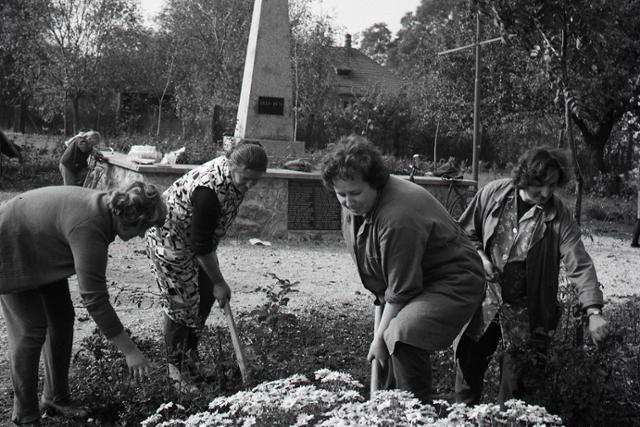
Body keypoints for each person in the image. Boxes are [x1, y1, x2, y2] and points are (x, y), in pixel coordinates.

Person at [319, 135, 485, 403]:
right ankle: (388, 408)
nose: (349, 201)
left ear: (376, 183)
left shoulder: (399, 217)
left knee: (401, 335)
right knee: (387, 348)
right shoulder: (359, 205)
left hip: (454, 280)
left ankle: (414, 412)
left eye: (355, 193)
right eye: (341, 194)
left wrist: (381, 338)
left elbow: (401, 289)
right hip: (415, 280)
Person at [0, 181, 166, 426]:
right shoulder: (91, 226)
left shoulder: (105, 212)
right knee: (31, 329)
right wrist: (130, 351)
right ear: (129, 218)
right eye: (144, 227)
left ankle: (57, 397)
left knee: (61, 317)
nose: (142, 235)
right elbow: (94, 299)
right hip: (10, 243)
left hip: (40, 246)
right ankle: (26, 415)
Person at [454, 146, 609, 406]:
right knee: (467, 375)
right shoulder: (493, 195)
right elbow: (463, 235)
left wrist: (593, 311)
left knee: (516, 390)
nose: (547, 193)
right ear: (525, 177)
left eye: (553, 185)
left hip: (526, 314)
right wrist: (480, 259)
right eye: (541, 184)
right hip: (482, 305)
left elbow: (579, 264)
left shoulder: (558, 215)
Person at [146, 140, 268, 389]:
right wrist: (220, 282)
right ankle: (176, 374)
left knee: (203, 295)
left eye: (256, 180)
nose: (250, 185)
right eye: (246, 178)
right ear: (232, 164)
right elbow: (201, 245)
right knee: (181, 303)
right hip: (169, 240)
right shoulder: (208, 190)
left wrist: (213, 284)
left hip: (195, 241)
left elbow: (204, 240)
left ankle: (190, 360)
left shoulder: (231, 177)